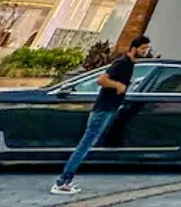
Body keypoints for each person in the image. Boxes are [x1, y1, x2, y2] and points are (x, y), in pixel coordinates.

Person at [50, 35, 152, 195]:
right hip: (103, 109)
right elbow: (101, 80)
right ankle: (62, 181)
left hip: (110, 108)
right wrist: (118, 85)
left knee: (89, 143)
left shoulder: (130, 64)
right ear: (134, 48)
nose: (146, 51)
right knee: (85, 144)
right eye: (143, 48)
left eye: (147, 48)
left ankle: (65, 181)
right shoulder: (122, 63)